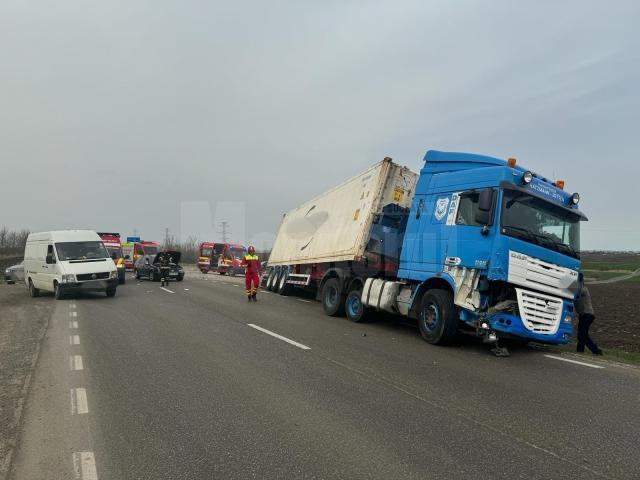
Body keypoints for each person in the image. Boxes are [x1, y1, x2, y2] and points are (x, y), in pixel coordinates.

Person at [574, 285, 603, 355]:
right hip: (584, 315)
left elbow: (575, 293)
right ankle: (595, 351)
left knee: (582, 334)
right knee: (583, 334)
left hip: (587, 315)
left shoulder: (583, 288)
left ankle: (582, 350)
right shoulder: (578, 288)